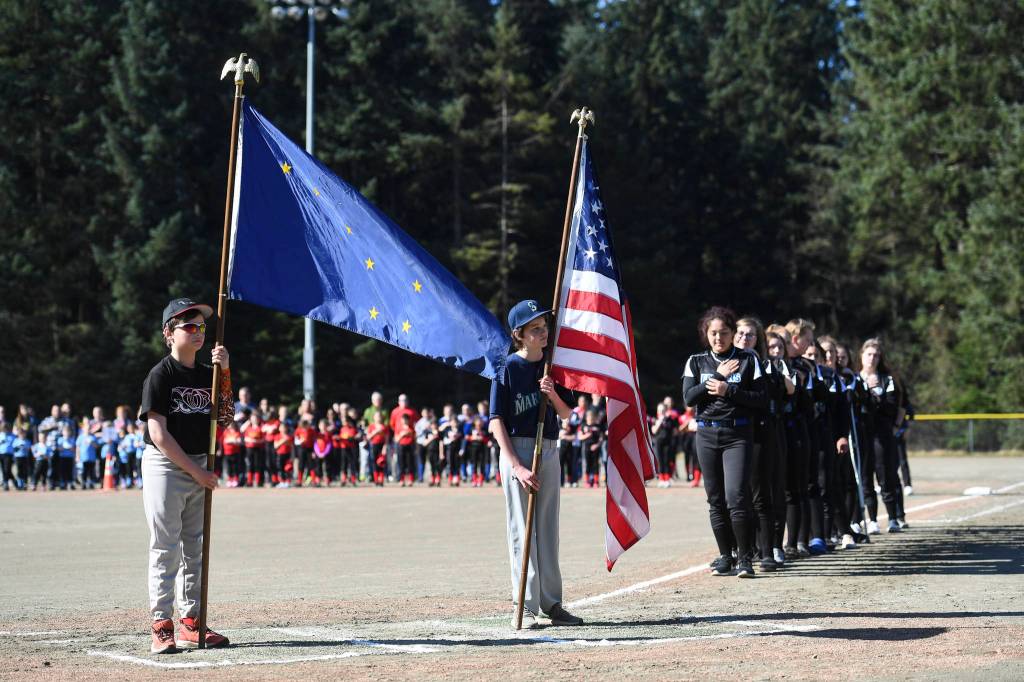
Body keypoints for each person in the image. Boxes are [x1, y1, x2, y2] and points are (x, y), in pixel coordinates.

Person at [137, 297, 233, 652]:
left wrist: (225, 372)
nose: (197, 332)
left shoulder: (208, 373)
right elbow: (159, 435)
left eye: (201, 327)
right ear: (168, 333)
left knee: (195, 547)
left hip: (197, 464)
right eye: (188, 326)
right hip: (166, 465)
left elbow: (223, 417)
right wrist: (197, 472)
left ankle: (191, 622)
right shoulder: (160, 375)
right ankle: (161, 624)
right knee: (165, 547)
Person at [488, 299, 583, 629]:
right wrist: (516, 465)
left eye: (545, 327)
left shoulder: (554, 367)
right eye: (536, 329)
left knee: (547, 528)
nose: (544, 333)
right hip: (519, 451)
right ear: (519, 334)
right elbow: (495, 421)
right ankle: (525, 605)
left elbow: (568, 412)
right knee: (522, 529)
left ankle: (551, 602)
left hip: (550, 449)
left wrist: (552, 393)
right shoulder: (506, 368)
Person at [682, 306, 766, 578]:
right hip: (706, 434)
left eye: (724, 333)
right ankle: (725, 556)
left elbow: (761, 400)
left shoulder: (748, 360)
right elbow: (689, 398)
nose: (719, 338)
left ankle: (745, 558)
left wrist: (729, 390)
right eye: (713, 333)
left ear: (732, 334)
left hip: (737, 435)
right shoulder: (696, 361)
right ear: (706, 334)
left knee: (736, 496)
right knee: (715, 498)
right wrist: (719, 376)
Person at [858, 338, 904, 533]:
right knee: (865, 477)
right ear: (862, 356)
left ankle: (894, 518)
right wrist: (865, 388)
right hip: (862, 434)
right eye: (869, 354)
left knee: (886, 475)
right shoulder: (854, 378)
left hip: (882, 435)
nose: (872, 358)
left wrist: (877, 395)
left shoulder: (888, 380)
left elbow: (892, 406)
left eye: (876, 355)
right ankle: (873, 520)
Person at [366, 411, 390, 487]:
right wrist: (376, 432)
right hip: (374, 445)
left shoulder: (384, 427)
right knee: (374, 463)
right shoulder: (371, 427)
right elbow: (368, 437)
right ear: (374, 418)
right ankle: (376, 480)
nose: (378, 418)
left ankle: (381, 479)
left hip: (381, 445)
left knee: (381, 463)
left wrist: (385, 447)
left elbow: (386, 438)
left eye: (379, 416)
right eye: (376, 416)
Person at [243, 412, 266, 488]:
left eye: (256, 419)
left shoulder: (260, 428)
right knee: (250, 465)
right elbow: (245, 437)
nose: (254, 420)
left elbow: (263, 439)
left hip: (258, 449)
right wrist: (250, 440)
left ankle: (258, 481)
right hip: (250, 449)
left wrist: (257, 441)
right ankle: (249, 481)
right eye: (253, 419)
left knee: (257, 465)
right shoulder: (248, 428)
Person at [0, 421, 14, 491]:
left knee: (7, 469)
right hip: (1, 454)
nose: (4, 429)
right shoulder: (0, 435)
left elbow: (15, 444)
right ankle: (12, 482)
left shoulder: (12, 435)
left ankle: (6, 483)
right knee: (4, 469)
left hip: (9, 455)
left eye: (6, 428)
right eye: (3, 428)